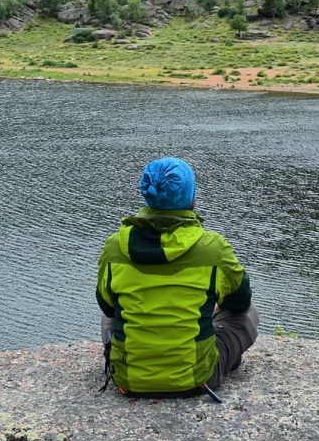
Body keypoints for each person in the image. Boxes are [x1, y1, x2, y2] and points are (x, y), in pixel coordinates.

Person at [96, 156, 259, 398]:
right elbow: (240, 301)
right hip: (197, 378)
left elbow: (108, 307)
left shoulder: (114, 247)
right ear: (190, 198)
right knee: (248, 313)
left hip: (129, 380)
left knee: (110, 317)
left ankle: (134, 365)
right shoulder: (212, 248)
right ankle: (224, 359)